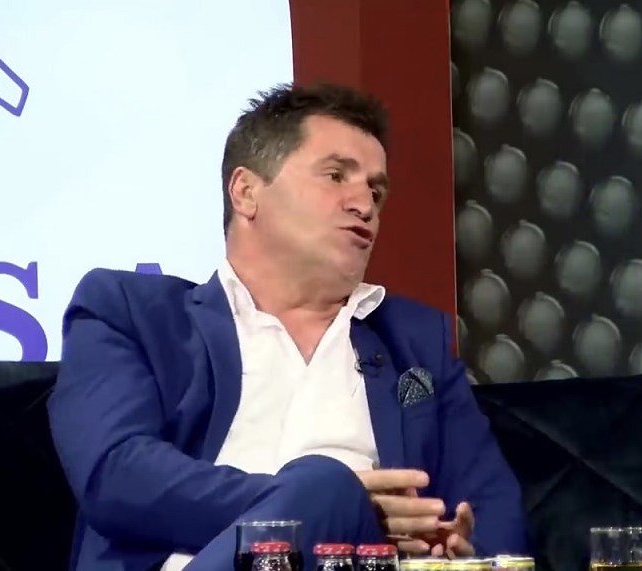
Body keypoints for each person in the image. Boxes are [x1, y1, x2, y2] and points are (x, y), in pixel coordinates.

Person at [47, 82, 527, 571]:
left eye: (376, 191)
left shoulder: (414, 345)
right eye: (336, 175)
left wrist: (460, 549)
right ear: (246, 192)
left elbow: (492, 512)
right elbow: (117, 476)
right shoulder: (132, 312)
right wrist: (336, 506)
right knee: (327, 483)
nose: (365, 205)